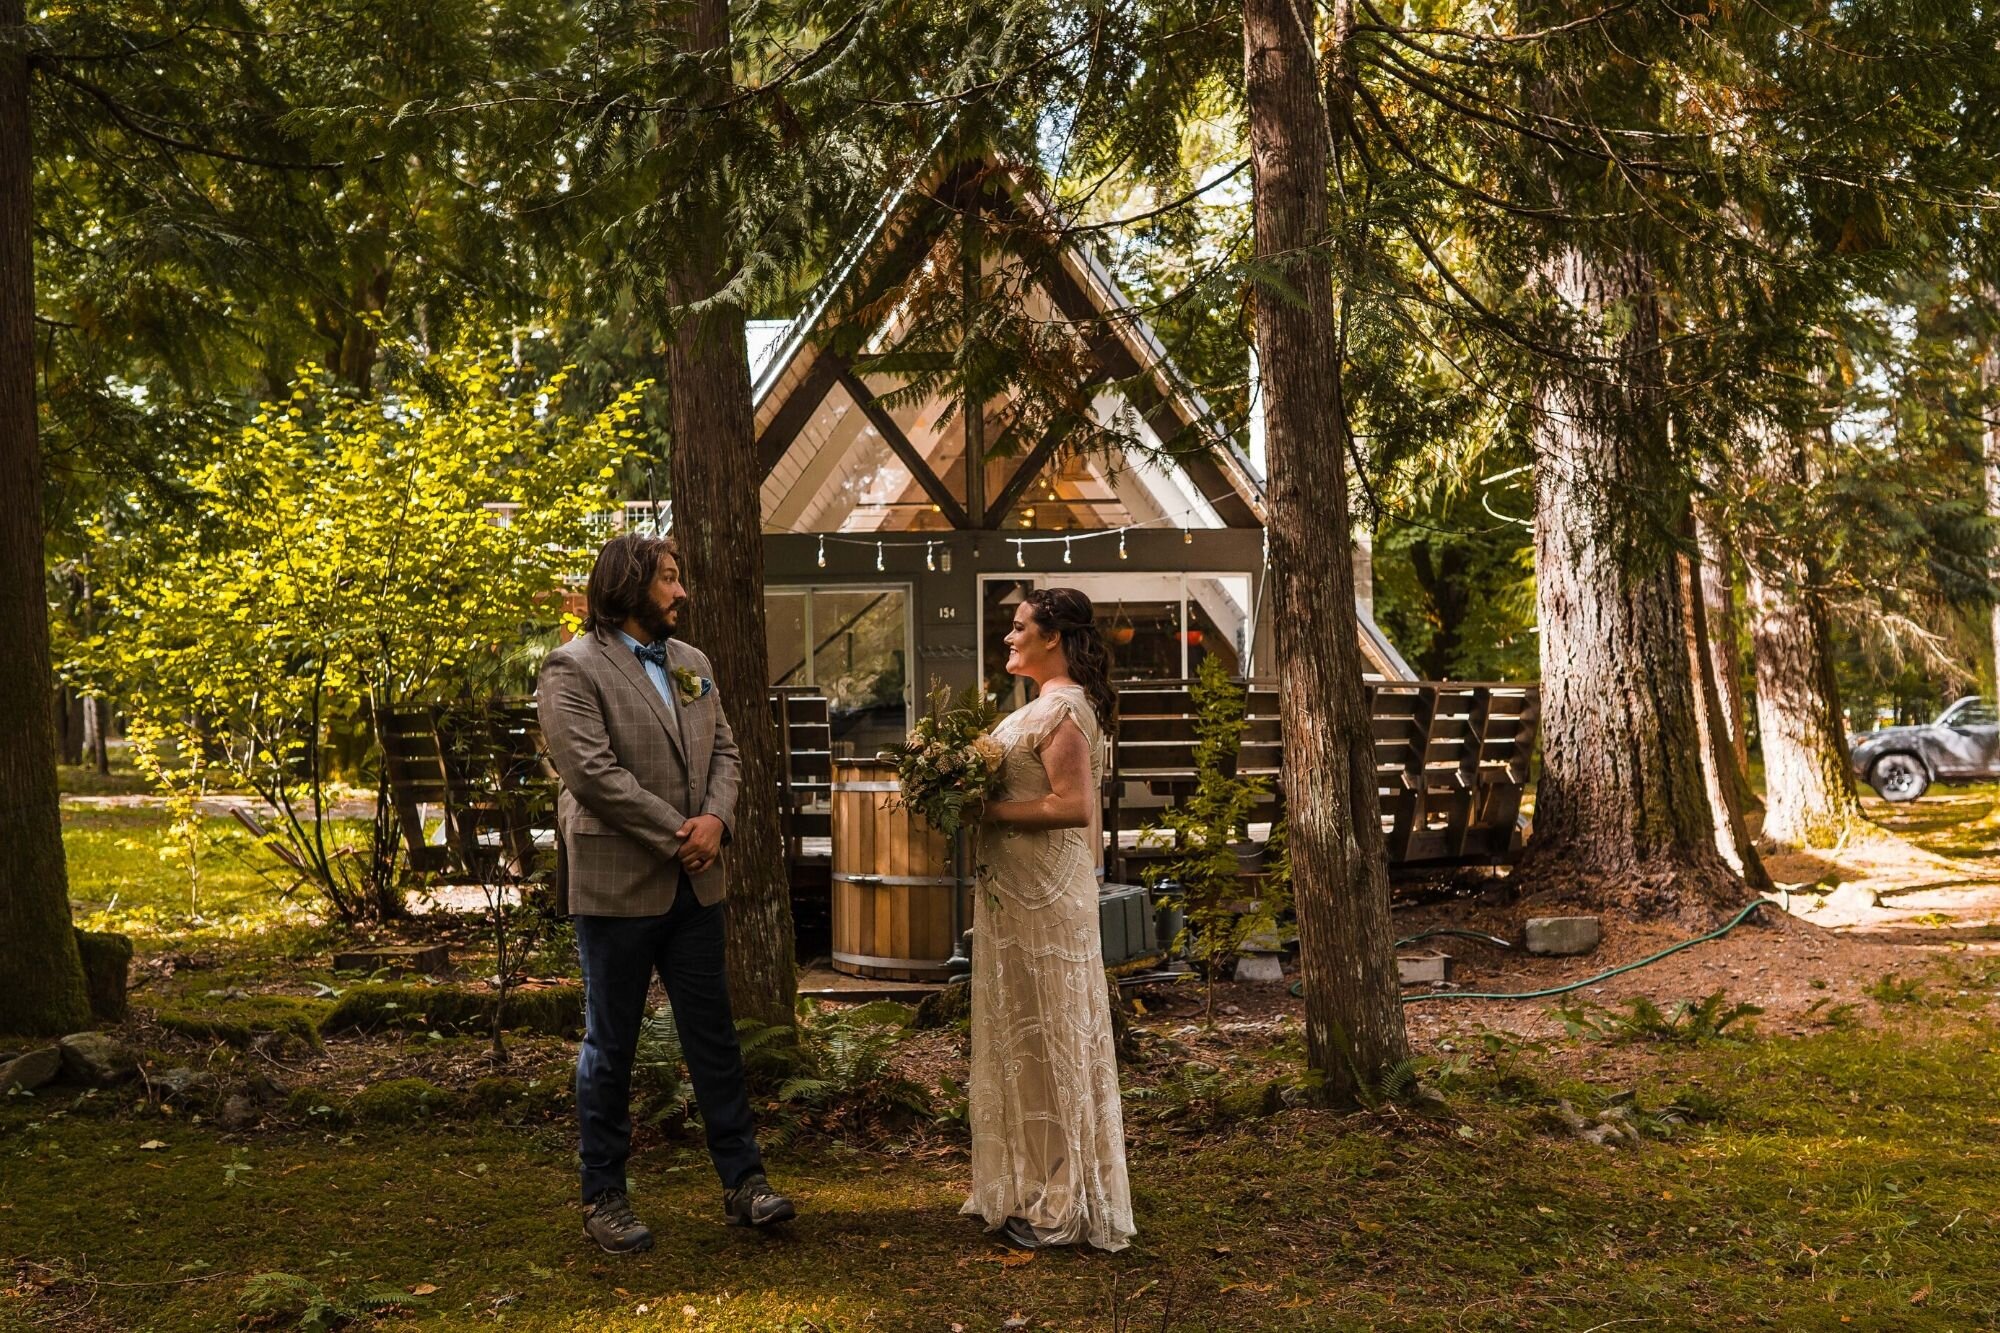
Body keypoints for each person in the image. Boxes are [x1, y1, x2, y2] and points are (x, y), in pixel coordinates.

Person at [537, 533, 795, 1254]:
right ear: (627, 585)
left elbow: (728, 751)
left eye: (680, 579)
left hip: (696, 882)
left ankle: (746, 1184)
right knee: (610, 1044)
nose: (682, 593)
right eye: (669, 580)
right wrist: (681, 830)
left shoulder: (694, 664)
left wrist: (715, 821)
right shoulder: (572, 667)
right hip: (617, 883)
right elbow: (590, 772)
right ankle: (604, 1196)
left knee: (714, 1038)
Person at [960, 587, 1136, 1252]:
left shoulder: (1062, 708)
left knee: (1052, 1034)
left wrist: (987, 812)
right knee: (1026, 1041)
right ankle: (1031, 1178)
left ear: (1052, 636)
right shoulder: (1044, 704)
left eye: (1018, 627)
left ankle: (1062, 1193)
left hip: (1046, 900)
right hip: (1019, 894)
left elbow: (1073, 806)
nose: (1009, 637)